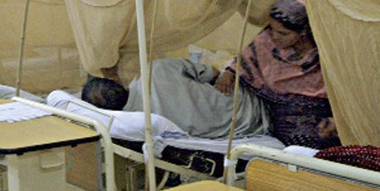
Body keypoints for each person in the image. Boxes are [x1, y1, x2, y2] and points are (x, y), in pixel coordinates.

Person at [213, 0, 339, 149]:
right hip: (277, 113)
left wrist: (336, 120)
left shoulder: (326, 54)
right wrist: (230, 72)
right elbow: (245, 61)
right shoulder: (266, 41)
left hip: (319, 114)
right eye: (272, 29)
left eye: (283, 33)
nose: (275, 36)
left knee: (323, 146)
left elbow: (346, 93)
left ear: (304, 31)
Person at [82, 58, 270, 140]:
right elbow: (212, 73)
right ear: (116, 81)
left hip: (245, 130)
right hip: (251, 101)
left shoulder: (141, 126)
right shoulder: (156, 69)